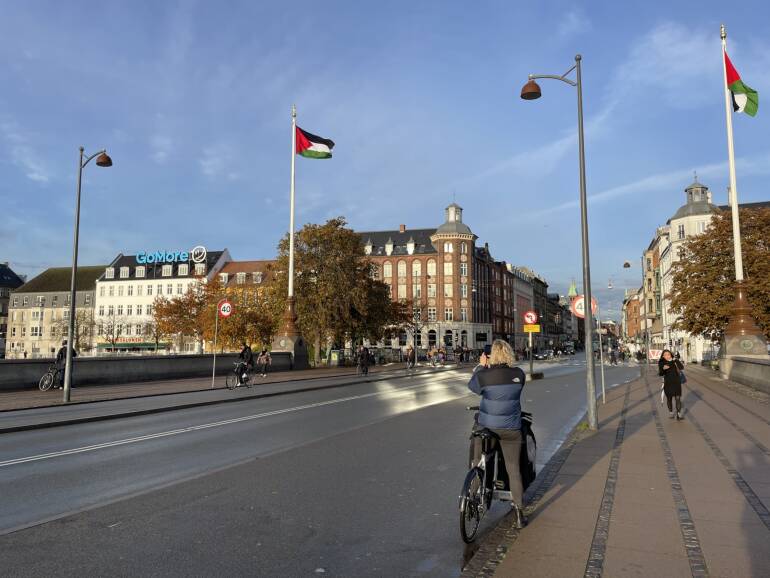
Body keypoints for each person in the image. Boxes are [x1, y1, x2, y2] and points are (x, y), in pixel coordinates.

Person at [467, 339, 528, 529]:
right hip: (511, 429)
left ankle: (471, 499)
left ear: (491, 355)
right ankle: (519, 514)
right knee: (513, 469)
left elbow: (473, 387)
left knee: (477, 462)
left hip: (488, 428)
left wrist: (481, 366)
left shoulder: (484, 375)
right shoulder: (519, 374)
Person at [659, 349, 685, 420]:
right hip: (668, 382)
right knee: (669, 398)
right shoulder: (661, 362)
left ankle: (679, 414)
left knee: (678, 398)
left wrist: (676, 360)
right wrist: (663, 369)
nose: (667, 356)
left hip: (676, 382)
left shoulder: (674, 360)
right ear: (663, 356)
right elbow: (660, 373)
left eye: (668, 354)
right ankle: (671, 412)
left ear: (671, 355)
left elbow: (681, 367)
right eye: (665, 355)